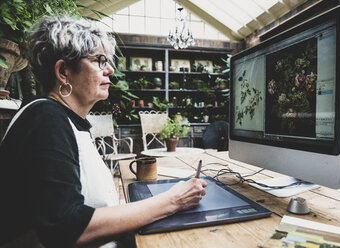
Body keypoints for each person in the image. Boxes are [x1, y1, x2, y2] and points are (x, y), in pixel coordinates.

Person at [0, 15, 207, 248]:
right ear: (63, 72)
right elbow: (67, 229)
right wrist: (173, 200)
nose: (110, 69)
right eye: (99, 60)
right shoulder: (46, 120)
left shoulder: (64, 119)